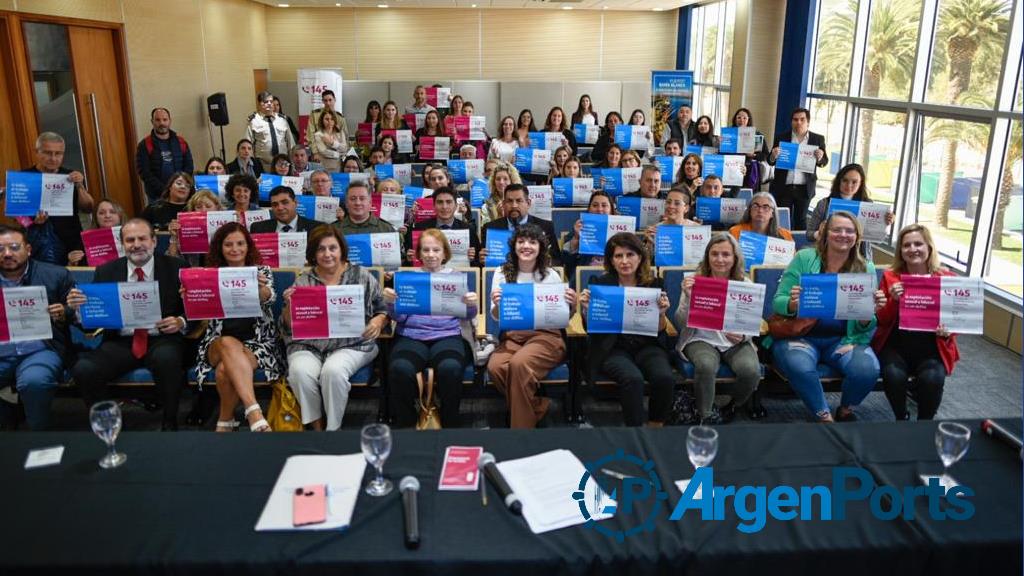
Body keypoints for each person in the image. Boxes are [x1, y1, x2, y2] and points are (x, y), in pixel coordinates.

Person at [67, 218, 191, 430]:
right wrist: (78, 310)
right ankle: (108, 426)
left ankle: (170, 423)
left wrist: (180, 321)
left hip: (162, 338)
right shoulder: (106, 271)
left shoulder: (176, 267)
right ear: (122, 244)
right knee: (84, 369)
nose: (136, 244)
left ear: (153, 241)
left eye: (142, 238)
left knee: (168, 360)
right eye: (130, 240)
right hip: (120, 341)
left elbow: (193, 309)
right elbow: (90, 325)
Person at [767, 211, 885, 422]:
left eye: (849, 231)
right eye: (837, 229)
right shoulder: (804, 258)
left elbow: (866, 324)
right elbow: (778, 301)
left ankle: (846, 408)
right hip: (800, 335)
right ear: (825, 233)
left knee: (867, 370)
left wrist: (870, 312)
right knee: (799, 366)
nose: (843, 235)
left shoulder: (865, 267)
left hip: (843, 339)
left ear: (857, 237)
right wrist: (793, 304)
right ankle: (822, 413)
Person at [280, 227, 388, 430]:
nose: (327, 254)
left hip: (353, 344)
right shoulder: (304, 281)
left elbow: (384, 308)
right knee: (299, 372)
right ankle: (317, 428)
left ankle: (333, 430)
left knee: (333, 372)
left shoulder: (361, 275)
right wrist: (289, 306)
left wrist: (378, 321)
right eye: (321, 249)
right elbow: (288, 325)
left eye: (332, 248)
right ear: (313, 253)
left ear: (341, 250)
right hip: (308, 345)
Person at [189, 222, 283, 432]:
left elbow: (269, 298)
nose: (235, 249)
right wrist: (191, 297)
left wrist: (259, 288)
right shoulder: (209, 275)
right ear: (220, 248)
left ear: (248, 246)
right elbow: (199, 312)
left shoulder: (262, 271)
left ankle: (225, 420)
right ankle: (254, 411)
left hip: (258, 344)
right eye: (228, 244)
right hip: (216, 343)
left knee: (224, 369)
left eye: (240, 243)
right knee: (227, 342)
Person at [384, 229, 477, 428]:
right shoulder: (409, 278)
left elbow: (467, 315)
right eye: (425, 250)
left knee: (450, 369)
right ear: (418, 254)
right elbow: (399, 317)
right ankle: (408, 423)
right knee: (400, 369)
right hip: (411, 336)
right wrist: (391, 304)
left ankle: (449, 422)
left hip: (448, 335)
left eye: (436, 250)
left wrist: (471, 305)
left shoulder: (456, 278)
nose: (431, 254)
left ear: (445, 253)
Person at [579, 232, 673, 427]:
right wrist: (587, 310)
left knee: (664, 377)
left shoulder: (655, 285)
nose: (624, 261)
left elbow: (661, 330)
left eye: (630, 255)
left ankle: (656, 426)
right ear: (611, 261)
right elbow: (591, 328)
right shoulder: (600, 284)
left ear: (640, 257)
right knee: (633, 379)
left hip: (647, 345)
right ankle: (636, 431)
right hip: (613, 347)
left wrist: (662, 313)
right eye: (618, 256)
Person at [488, 224, 576, 428]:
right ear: (514, 245)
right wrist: (498, 305)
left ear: (540, 247)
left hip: (547, 336)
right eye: (521, 241)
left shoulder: (551, 275)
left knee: (518, 365)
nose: (526, 246)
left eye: (532, 242)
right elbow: (495, 317)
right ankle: (537, 406)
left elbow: (565, 318)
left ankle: (521, 431)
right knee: (496, 367)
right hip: (513, 336)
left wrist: (572, 305)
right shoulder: (501, 273)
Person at [872, 224, 960, 421]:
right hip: (896, 344)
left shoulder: (947, 278)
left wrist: (948, 331)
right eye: (907, 245)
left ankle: (924, 424)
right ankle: (901, 417)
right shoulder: (891, 276)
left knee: (932, 379)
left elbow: (957, 319)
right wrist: (893, 300)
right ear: (901, 251)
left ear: (929, 247)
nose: (913, 249)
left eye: (918, 244)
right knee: (893, 376)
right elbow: (882, 320)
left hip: (932, 347)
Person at [674, 233, 760, 424]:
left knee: (751, 371)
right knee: (705, 365)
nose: (720, 259)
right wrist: (688, 297)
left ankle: (733, 406)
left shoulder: (745, 284)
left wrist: (744, 335)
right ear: (707, 257)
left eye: (725, 254)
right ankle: (705, 416)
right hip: (699, 338)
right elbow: (679, 323)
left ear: (734, 258)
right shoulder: (695, 281)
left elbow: (754, 324)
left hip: (734, 341)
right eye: (714, 254)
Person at [0, 223, 75, 431]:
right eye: (0, 249)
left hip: (40, 348)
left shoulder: (55, 275)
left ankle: (38, 436)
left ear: (28, 249)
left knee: (34, 381)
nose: (7, 254)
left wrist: (63, 312)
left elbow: (78, 315)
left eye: (14, 247)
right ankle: (7, 421)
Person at [20, 132, 94, 266]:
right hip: (38, 243)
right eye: (48, 153)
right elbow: (17, 215)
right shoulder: (24, 177)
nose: (53, 158)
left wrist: (80, 186)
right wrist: (32, 221)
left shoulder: (70, 176)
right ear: (37, 152)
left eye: (58, 153)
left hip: (72, 241)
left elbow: (88, 207)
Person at [806, 163, 894, 260]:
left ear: (861, 183)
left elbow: (877, 241)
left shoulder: (869, 205)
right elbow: (809, 234)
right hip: (828, 257)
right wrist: (819, 233)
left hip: (860, 258)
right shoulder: (824, 204)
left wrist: (884, 223)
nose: (849, 185)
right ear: (838, 181)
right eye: (845, 180)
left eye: (854, 182)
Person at [768, 107, 828, 230]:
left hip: (804, 188)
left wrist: (820, 158)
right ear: (791, 122)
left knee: (801, 220)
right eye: (795, 120)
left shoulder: (817, 139)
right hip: (784, 186)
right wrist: (773, 155)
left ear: (808, 122)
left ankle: (799, 247)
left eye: (802, 119)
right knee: (782, 220)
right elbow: (770, 161)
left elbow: (824, 162)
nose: (798, 122)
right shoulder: (781, 137)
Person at [480, 184, 560, 266]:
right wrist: (482, 260)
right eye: (510, 201)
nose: (514, 205)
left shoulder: (545, 227)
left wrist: (544, 260)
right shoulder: (490, 228)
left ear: (528, 203)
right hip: (501, 276)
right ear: (504, 204)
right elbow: (481, 266)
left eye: (519, 201)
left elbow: (557, 261)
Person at [407, 187, 480, 265]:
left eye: (449, 202)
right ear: (434, 206)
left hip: (457, 275)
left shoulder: (468, 229)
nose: (444, 207)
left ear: (456, 206)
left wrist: (472, 259)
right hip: (427, 274)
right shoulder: (419, 228)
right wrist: (410, 259)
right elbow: (409, 264)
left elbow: (478, 263)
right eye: (440, 202)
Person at [136, 107, 194, 203]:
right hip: (156, 196)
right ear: (152, 121)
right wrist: (165, 191)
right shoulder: (144, 144)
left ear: (170, 121)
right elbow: (144, 172)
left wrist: (179, 186)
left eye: (165, 119)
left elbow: (189, 166)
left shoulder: (181, 142)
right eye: (158, 120)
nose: (162, 123)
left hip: (181, 193)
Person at [561, 190, 615, 285]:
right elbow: (566, 261)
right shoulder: (578, 229)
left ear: (611, 209)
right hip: (585, 277)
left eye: (604, 205)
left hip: (615, 275)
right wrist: (576, 238)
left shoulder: (622, 230)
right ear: (589, 209)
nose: (599, 209)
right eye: (595, 205)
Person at [166, 190, 224, 266]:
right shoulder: (185, 231)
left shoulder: (226, 228)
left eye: (208, 206)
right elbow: (171, 261)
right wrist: (174, 237)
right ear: (193, 211)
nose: (204, 210)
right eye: (199, 207)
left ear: (217, 208)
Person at [67, 199, 126, 266]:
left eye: (112, 212)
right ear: (96, 218)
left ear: (120, 216)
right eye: (102, 213)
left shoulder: (133, 235)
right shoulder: (85, 241)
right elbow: (78, 271)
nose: (107, 216)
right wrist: (71, 262)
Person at [333, 181, 400, 239]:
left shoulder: (387, 229)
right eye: (353, 199)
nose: (358, 203)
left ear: (370, 203)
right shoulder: (333, 230)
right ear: (346, 204)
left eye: (362, 198)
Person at [246, 92, 296, 166]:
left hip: (283, 164)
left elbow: (290, 144)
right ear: (259, 104)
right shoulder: (254, 121)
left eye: (271, 101)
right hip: (262, 164)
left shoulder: (282, 120)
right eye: (266, 102)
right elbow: (248, 145)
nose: (269, 104)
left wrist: (291, 163)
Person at [249, 186, 321, 234]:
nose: (280, 208)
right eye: (275, 204)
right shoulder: (258, 228)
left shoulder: (316, 228)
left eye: (285, 202)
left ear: (295, 203)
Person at [729, 192, 794, 242]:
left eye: (766, 207)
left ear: (772, 213)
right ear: (749, 210)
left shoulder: (785, 235)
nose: (760, 210)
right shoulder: (735, 232)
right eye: (756, 206)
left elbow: (792, 259)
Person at [730, 107, 769, 190]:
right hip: (732, 169)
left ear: (748, 120)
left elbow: (765, 155)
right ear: (735, 119)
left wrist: (753, 155)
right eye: (739, 117)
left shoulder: (757, 135)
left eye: (744, 118)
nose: (741, 120)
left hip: (751, 171)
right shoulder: (729, 134)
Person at [305, 89, 349, 158]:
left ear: (334, 100)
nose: (328, 103)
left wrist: (344, 154)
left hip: (337, 153)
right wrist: (315, 152)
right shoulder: (315, 115)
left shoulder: (340, 118)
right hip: (320, 153)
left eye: (330, 100)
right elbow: (310, 135)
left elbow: (345, 138)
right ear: (322, 101)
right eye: (325, 100)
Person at [479, 161, 522, 227]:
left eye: (505, 179)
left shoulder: (522, 202)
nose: (501, 182)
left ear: (512, 181)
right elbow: (486, 231)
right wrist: (499, 217)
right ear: (494, 182)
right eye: (498, 179)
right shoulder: (487, 206)